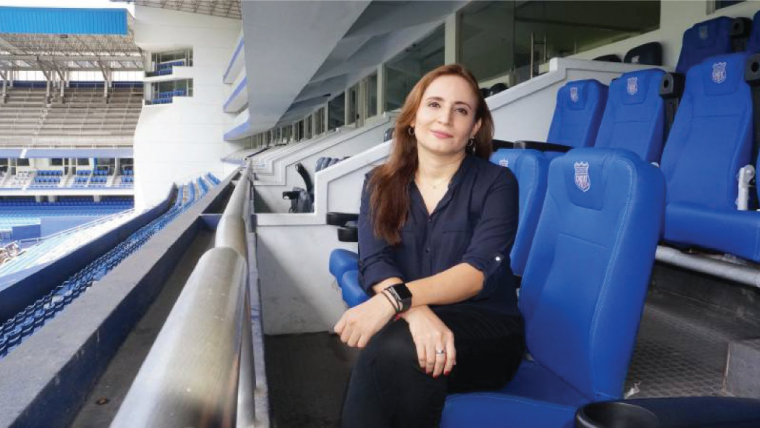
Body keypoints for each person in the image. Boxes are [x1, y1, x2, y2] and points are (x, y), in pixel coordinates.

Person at [335, 64, 525, 428]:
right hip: (407, 326)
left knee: (394, 347)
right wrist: (414, 311)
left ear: (475, 127)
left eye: (461, 110)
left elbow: (476, 273)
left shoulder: (498, 183)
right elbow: (376, 261)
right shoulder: (378, 183)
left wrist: (394, 302)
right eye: (434, 104)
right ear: (412, 116)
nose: (446, 118)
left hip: (486, 330)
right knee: (397, 348)